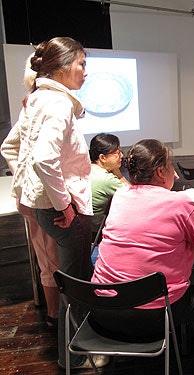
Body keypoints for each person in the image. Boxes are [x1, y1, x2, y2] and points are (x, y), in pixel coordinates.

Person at [91, 139, 194, 375]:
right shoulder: (180, 203)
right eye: (171, 167)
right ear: (161, 172)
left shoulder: (120, 197)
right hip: (152, 315)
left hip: (101, 308)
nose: (176, 175)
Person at [0, 37, 103, 370]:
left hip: (42, 206)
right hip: (62, 210)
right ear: (62, 67)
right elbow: (45, 159)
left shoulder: (36, 100)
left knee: (66, 278)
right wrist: (64, 204)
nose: (85, 71)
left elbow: (13, 148)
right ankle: (75, 355)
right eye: (82, 64)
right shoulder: (58, 104)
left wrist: (33, 190)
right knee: (76, 285)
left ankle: (73, 349)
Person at [1, 53, 60, 331]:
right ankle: (54, 317)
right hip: (42, 200)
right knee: (50, 260)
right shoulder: (37, 106)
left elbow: (10, 148)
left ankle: (56, 315)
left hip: (41, 197)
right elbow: (11, 148)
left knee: (50, 258)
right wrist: (27, 180)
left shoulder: (37, 104)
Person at [89, 133, 130, 235]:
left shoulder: (88, 168)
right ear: (102, 157)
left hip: (85, 227)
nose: (122, 156)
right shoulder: (106, 179)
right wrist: (119, 175)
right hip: (99, 231)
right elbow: (135, 196)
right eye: (118, 152)